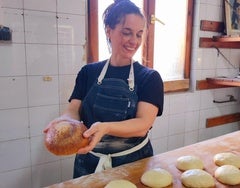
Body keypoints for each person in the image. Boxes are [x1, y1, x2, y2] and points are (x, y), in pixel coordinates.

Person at [44, 0, 164, 178]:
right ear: (109, 31)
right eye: (127, 32)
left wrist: (105, 127)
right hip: (88, 161)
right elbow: (73, 111)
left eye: (139, 34)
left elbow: (142, 125)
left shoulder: (150, 78)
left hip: (134, 161)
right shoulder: (88, 72)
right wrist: (64, 122)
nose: (134, 41)